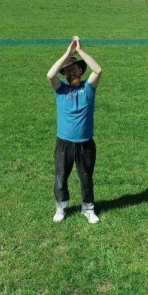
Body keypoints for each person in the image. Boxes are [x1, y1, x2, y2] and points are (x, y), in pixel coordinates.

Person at [46, 36, 103, 224]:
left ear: (80, 70)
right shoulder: (60, 89)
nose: (71, 72)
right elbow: (50, 75)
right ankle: (61, 208)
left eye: (74, 68)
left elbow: (98, 70)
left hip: (85, 143)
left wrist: (80, 52)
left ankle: (88, 209)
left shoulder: (88, 88)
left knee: (86, 178)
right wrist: (67, 54)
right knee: (61, 178)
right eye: (67, 71)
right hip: (64, 143)